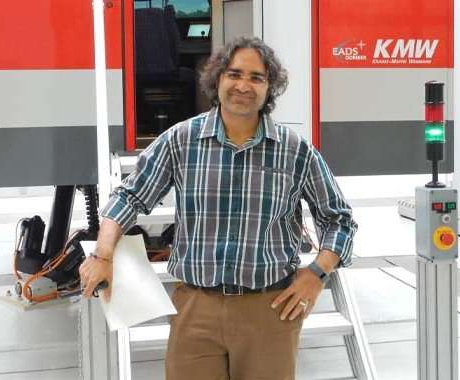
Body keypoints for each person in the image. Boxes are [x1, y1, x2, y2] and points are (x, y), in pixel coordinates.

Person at [79, 36, 358, 380]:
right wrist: (103, 255)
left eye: (256, 78)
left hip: (271, 310)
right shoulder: (181, 140)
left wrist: (316, 274)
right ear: (217, 79)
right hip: (196, 309)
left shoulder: (295, 150)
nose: (244, 85)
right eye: (234, 74)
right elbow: (128, 196)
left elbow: (340, 221)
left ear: (270, 88)